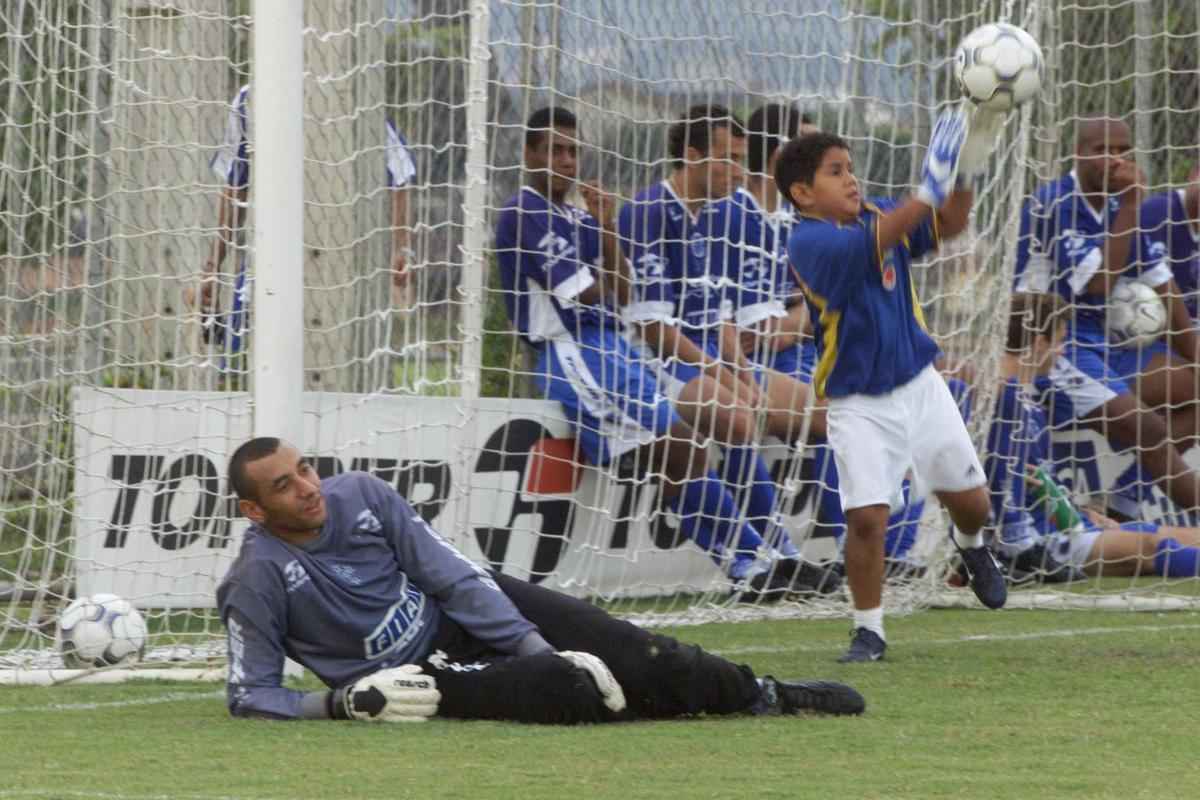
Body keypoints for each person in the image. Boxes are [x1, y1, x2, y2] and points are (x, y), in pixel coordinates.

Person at [216, 437, 866, 722]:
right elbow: (251, 694)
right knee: (568, 688)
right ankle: (635, 701)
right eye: (284, 485)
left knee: (634, 649)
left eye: (304, 470)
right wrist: (334, 704)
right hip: (420, 675)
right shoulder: (256, 580)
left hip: (468, 613)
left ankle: (763, 693)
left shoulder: (360, 493)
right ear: (253, 509)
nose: (307, 488)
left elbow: (453, 576)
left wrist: (533, 641)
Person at [494, 107, 829, 600]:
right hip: (573, 352)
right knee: (686, 442)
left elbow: (621, 289)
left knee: (690, 447)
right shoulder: (525, 213)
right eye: (554, 150)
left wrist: (605, 227)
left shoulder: (585, 216)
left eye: (572, 151)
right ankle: (758, 562)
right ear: (529, 154)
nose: (566, 161)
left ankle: (762, 565)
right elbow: (594, 295)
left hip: (613, 349)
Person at [774, 112, 1008, 663]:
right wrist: (926, 189)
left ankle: (970, 546)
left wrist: (966, 169)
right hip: (857, 401)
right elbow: (879, 242)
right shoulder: (808, 243)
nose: (852, 179)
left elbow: (947, 223)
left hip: (921, 387)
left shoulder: (879, 215)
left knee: (973, 505)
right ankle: (869, 629)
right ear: (803, 193)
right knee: (866, 517)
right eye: (837, 172)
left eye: (851, 168)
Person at [704, 103, 930, 576]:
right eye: (810, 149)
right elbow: (718, 315)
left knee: (903, 410)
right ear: (784, 156)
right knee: (839, 417)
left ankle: (890, 551)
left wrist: (790, 326)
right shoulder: (725, 215)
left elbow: (821, 299)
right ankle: (835, 551)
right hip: (748, 363)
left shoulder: (800, 224)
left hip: (806, 350)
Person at [617, 105, 833, 589]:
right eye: (726, 159)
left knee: (826, 416)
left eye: (740, 160)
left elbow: (723, 317)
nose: (737, 171)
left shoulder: (718, 216)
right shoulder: (649, 211)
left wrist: (736, 369)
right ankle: (761, 555)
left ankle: (793, 552)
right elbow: (652, 328)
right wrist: (722, 372)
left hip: (709, 361)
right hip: (657, 363)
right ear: (691, 156)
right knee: (737, 417)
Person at [1014, 117, 1200, 522]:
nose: (1115, 160)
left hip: (1101, 344)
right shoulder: (1056, 203)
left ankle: (1127, 500)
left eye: (1121, 151)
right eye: (1102, 150)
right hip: (1049, 344)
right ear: (1079, 154)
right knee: (1146, 428)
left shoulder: (1117, 207)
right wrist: (1133, 203)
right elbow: (1098, 284)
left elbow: (1165, 290)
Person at [193, 84, 417, 377]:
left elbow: (400, 171)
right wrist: (213, 266)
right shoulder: (251, 98)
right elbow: (235, 187)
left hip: (334, 272)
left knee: (322, 382)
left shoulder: (346, 91)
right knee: (241, 373)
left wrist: (401, 249)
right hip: (264, 270)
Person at [987, 293, 1200, 581]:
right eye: (1060, 342)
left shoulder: (1028, 401)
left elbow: (1038, 481)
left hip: (1067, 527)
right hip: (1044, 545)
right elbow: (1000, 484)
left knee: (1190, 536)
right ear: (1039, 343)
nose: (1062, 352)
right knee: (1151, 548)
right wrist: (1019, 546)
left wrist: (1078, 512)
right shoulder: (1004, 400)